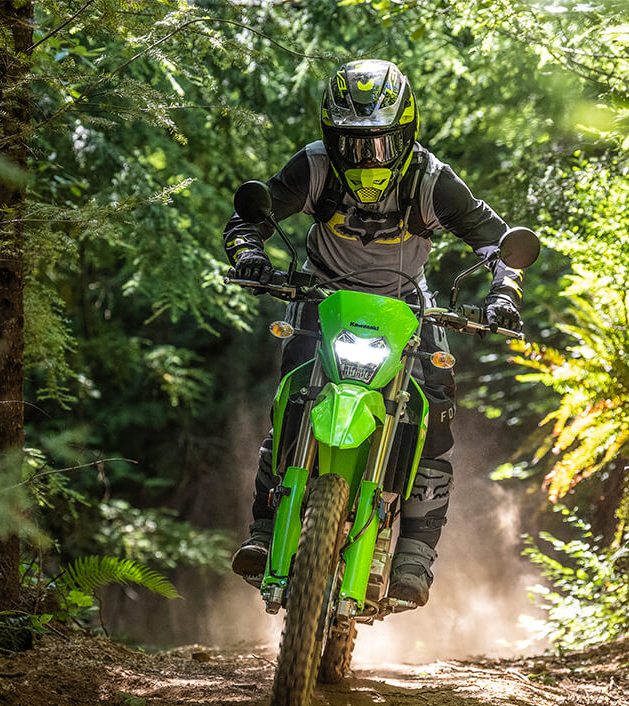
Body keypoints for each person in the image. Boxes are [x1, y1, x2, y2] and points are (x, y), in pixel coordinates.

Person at [222, 59, 527, 606]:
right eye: (352, 144)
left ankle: (414, 553)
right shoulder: (313, 168)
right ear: (329, 139)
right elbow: (251, 216)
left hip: (408, 309)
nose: (367, 159)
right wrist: (249, 255)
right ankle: (266, 533)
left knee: (435, 414)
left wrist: (502, 295)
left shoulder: (432, 180)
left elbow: (499, 243)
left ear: (405, 134)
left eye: (380, 145)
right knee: (290, 401)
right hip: (322, 301)